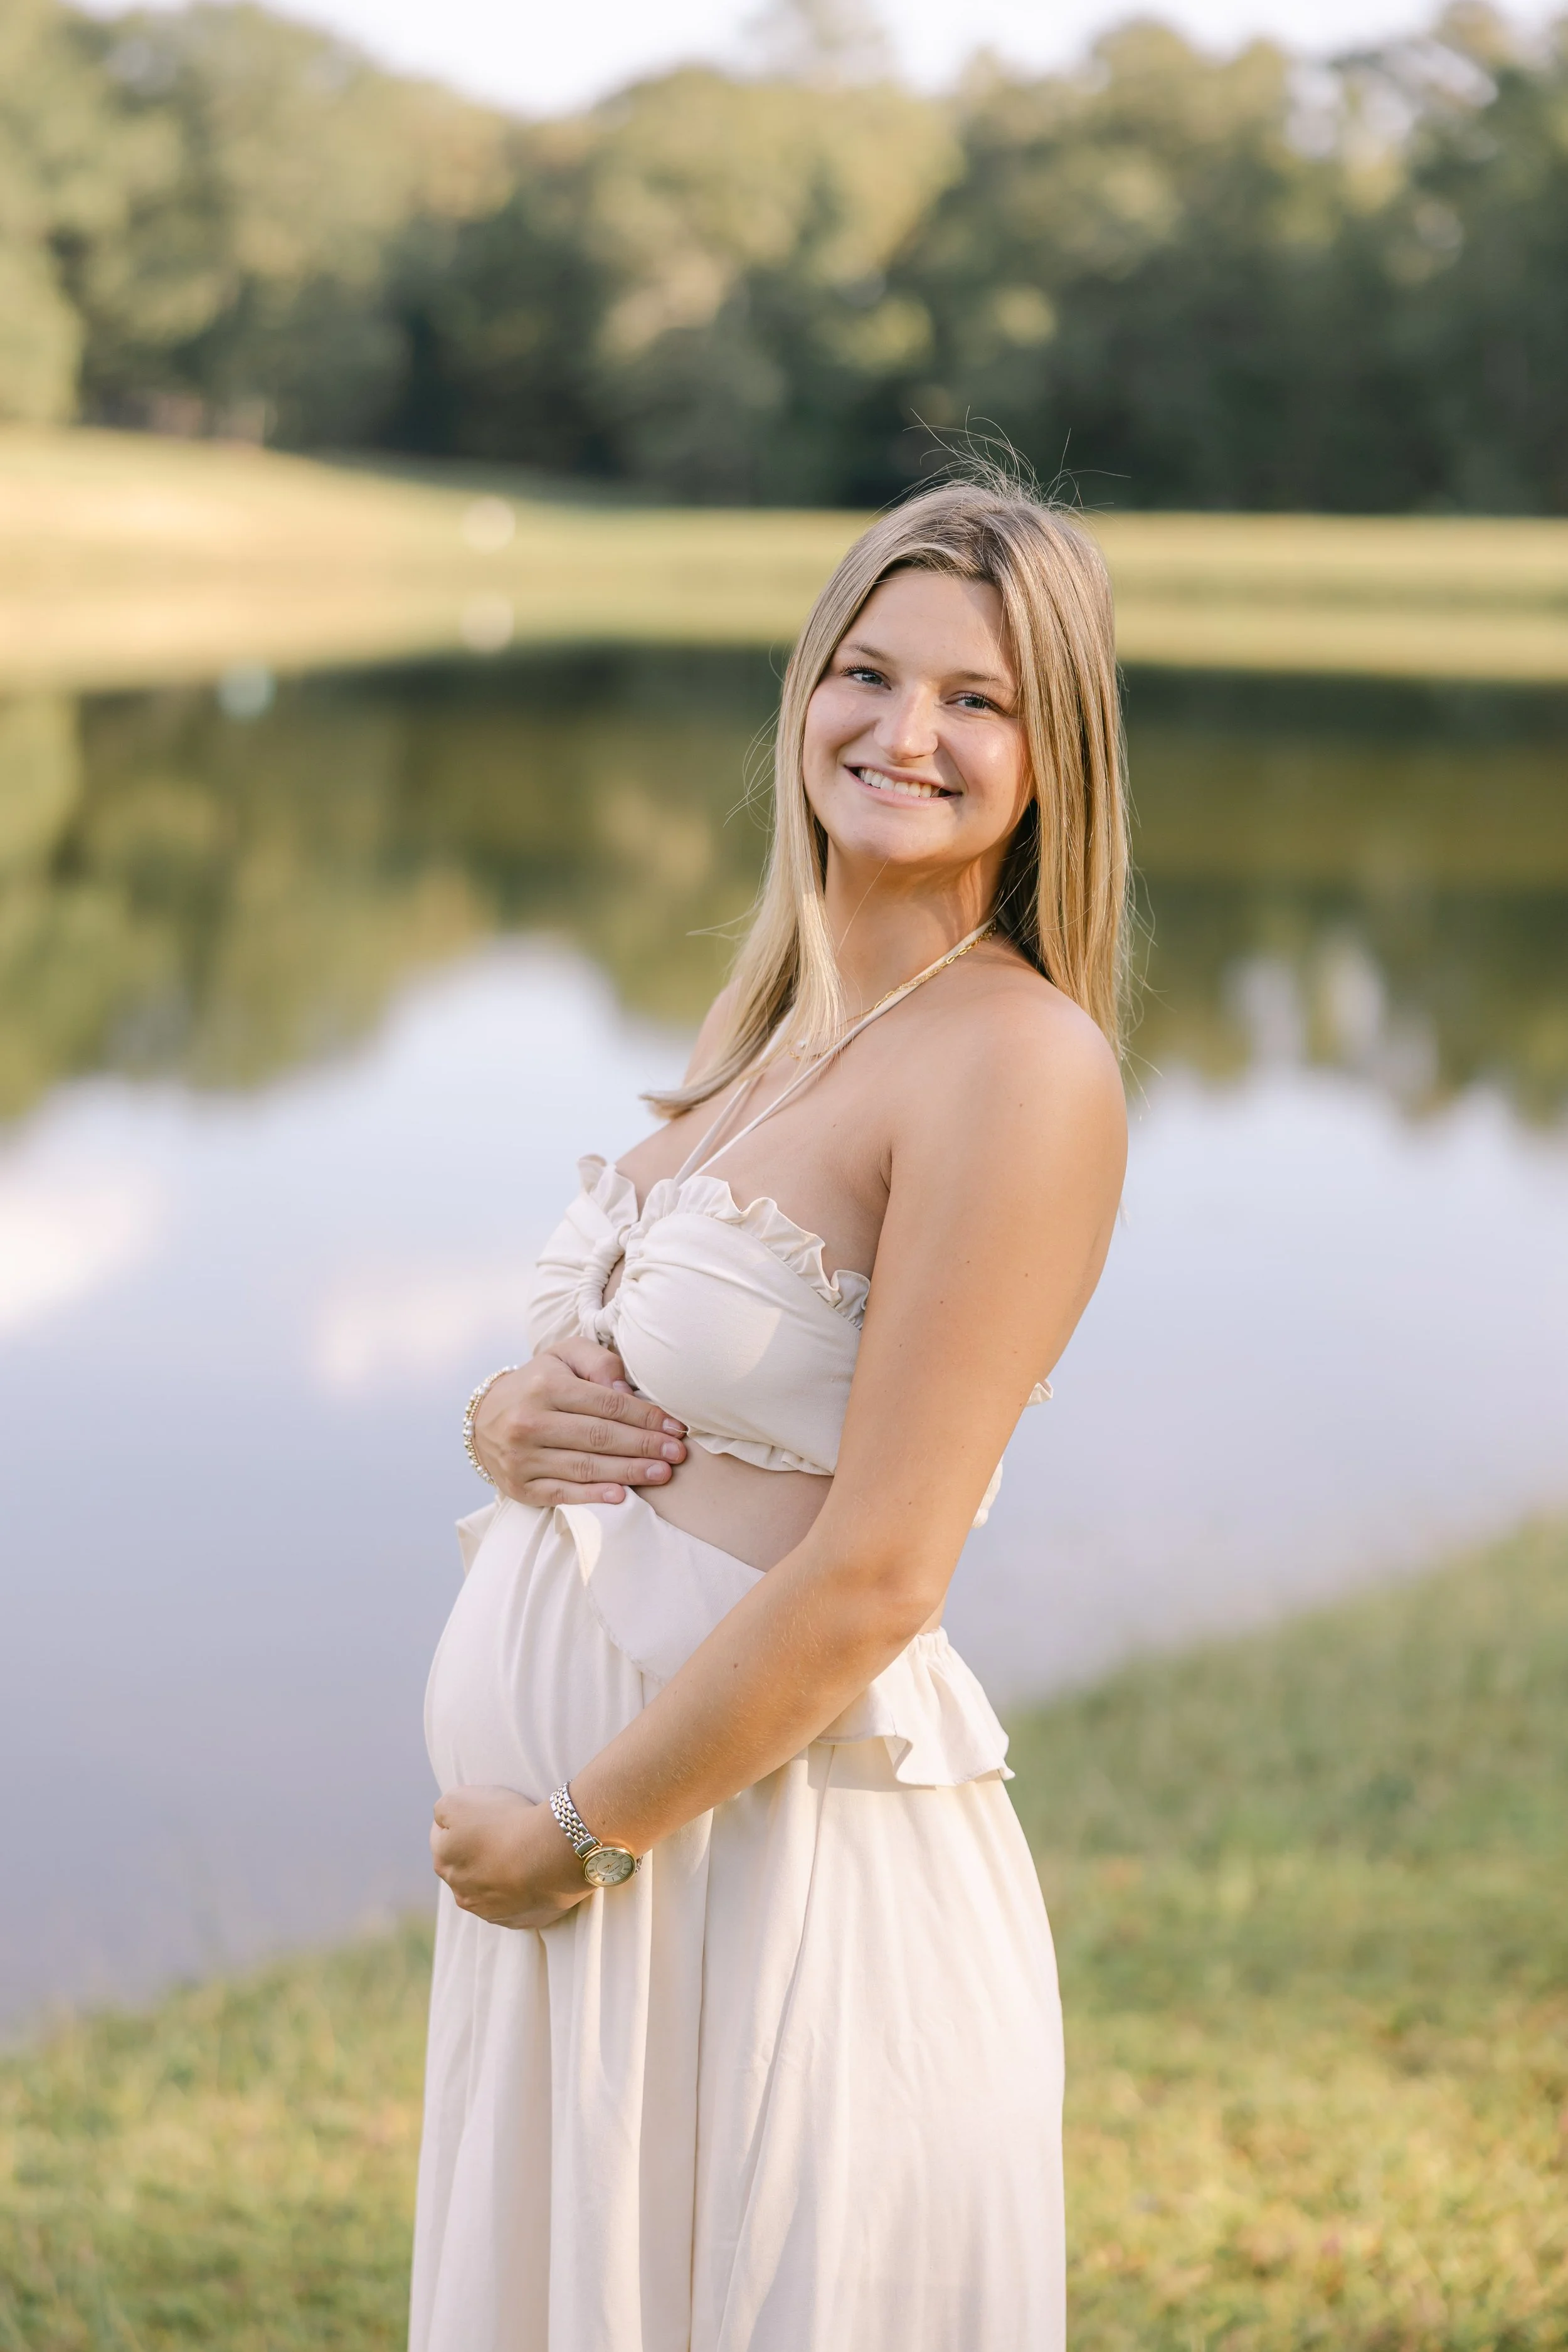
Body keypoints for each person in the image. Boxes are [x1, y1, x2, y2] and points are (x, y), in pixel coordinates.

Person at [410, 474, 1130, 2352]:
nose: (905, 732)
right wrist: (507, 1418)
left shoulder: (1020, 1064)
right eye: (868, 671)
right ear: (804, 683)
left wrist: (582, 1829)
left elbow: (882, 1565)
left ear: (1056, 756)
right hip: (615, 1901)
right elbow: (676, 1387)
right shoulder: (767, 1045)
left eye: (976, 699)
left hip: (770, 1875)